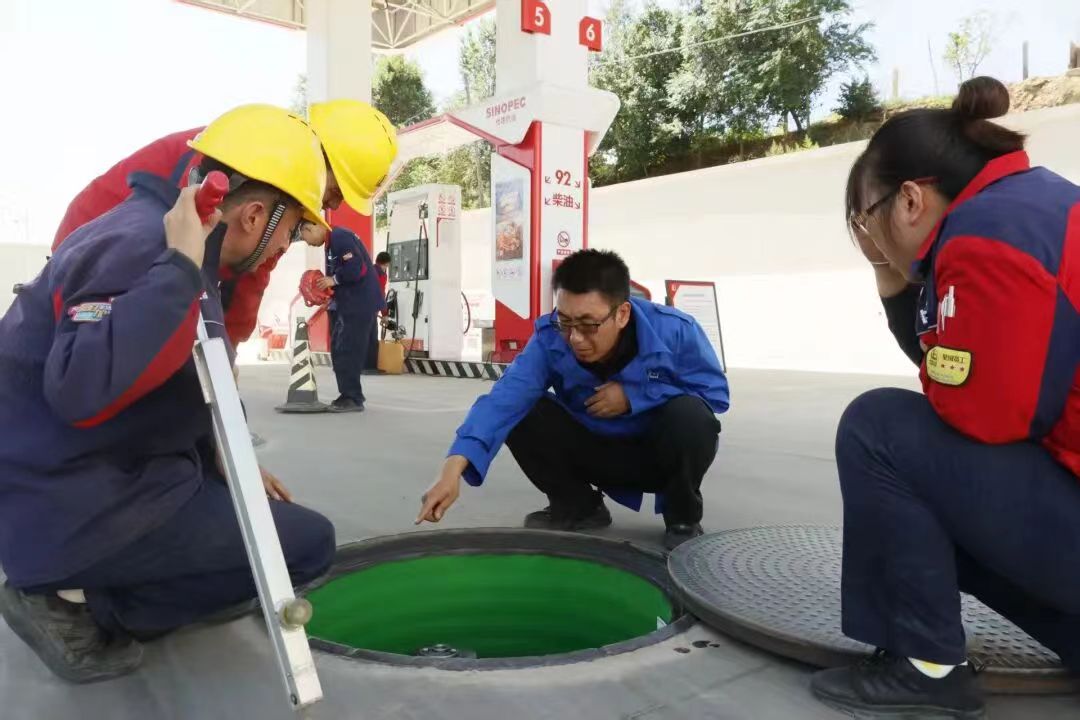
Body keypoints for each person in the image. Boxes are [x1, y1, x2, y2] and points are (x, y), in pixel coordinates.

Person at [0, 104, 337, 684]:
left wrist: (222, 453)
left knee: (248, 508)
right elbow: (80, 388)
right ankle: (84, 605)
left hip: (82, 473)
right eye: (290, 228)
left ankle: (93, 575)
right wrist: (178, 269)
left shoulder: (176, 237)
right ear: (255, 215)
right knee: (306, 546)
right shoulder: (148, 247)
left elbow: (176, 373)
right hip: (64, 498)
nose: (286, 245)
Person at [811, 76, 1080, 718]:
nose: (868, 238)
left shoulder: (988, 236)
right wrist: (889, 271)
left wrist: (941, 375)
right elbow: (958, 367)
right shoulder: (1031, 207)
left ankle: (926, 667)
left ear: (909, 199)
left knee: (877, 426)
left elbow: (989, 413)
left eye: (866, 220)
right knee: (917, 508)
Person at [416, 249, 729, 550]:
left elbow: (714, 394)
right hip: (594, 450)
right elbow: (503, 400)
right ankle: (579, 507)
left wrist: (635, 396)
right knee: (525, 411)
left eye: (589, 325)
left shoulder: (676, 331)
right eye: (565, 321)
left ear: (622, 313)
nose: (575, 338)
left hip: (656, 456)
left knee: (691, 416)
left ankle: (683, 518)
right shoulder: (549, 338)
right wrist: (452, 469)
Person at [51, 99, 398, 349]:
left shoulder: (282, 193)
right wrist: (221, 352)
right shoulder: (247, 155)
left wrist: (227, 350)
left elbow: (252, 274)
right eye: (337, 191)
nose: (333, 205)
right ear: (322, 159)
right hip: (90, 246)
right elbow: (199, 255)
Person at [300, 224, 386, 412]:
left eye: (305, 238)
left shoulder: (339, 237)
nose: (309, 243)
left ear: (312, 228)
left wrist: (333, 280)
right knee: (339, 348)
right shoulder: (331, 243)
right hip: (349, 303)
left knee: (348, 349)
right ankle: (347, 394)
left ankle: (353, 398)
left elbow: (357, 268)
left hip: (359, 304)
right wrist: (330, 295)